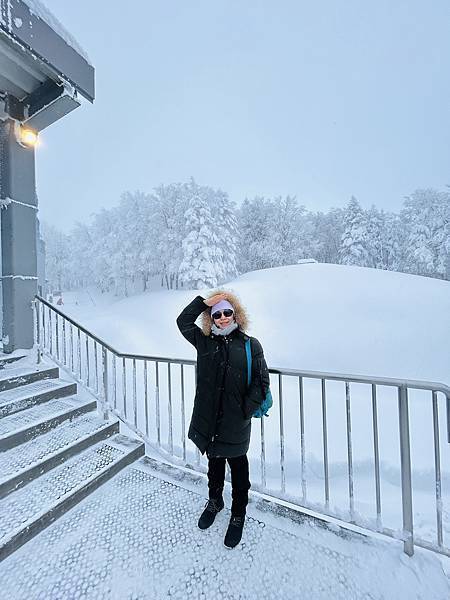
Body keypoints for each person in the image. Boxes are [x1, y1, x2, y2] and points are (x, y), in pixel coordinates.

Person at [176, 290, 270, 548]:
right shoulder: (204, 341)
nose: (223, 318)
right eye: (217, 314)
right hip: (210, 421)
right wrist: (204, 303)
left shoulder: (250, 344)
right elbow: (182, 322)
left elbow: (261, 383)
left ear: (235, 313)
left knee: (239, 471)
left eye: (228, 312)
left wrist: (244, 410)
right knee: (214, 466)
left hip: (237, 422)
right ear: (211, 318)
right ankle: (215, 501)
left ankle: (238, 514)